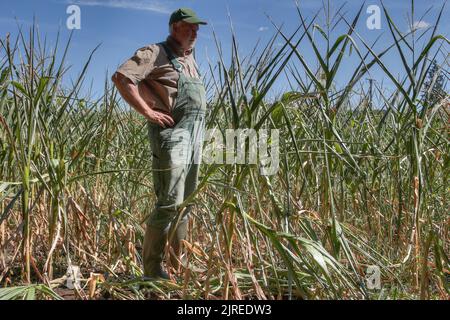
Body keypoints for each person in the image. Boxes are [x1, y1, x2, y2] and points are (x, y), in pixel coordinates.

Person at [111, 8, 207, 280]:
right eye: (190, 27)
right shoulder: (155, 52)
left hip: (195, 137)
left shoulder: (188, 59)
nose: (195, 32)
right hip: (173, 136)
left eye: (197, 28)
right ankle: (152, 270)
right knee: (168, 203)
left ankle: (178, 264)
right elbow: (122, 77)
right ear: (175, 27)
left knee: (185, 203)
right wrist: (148, 112)